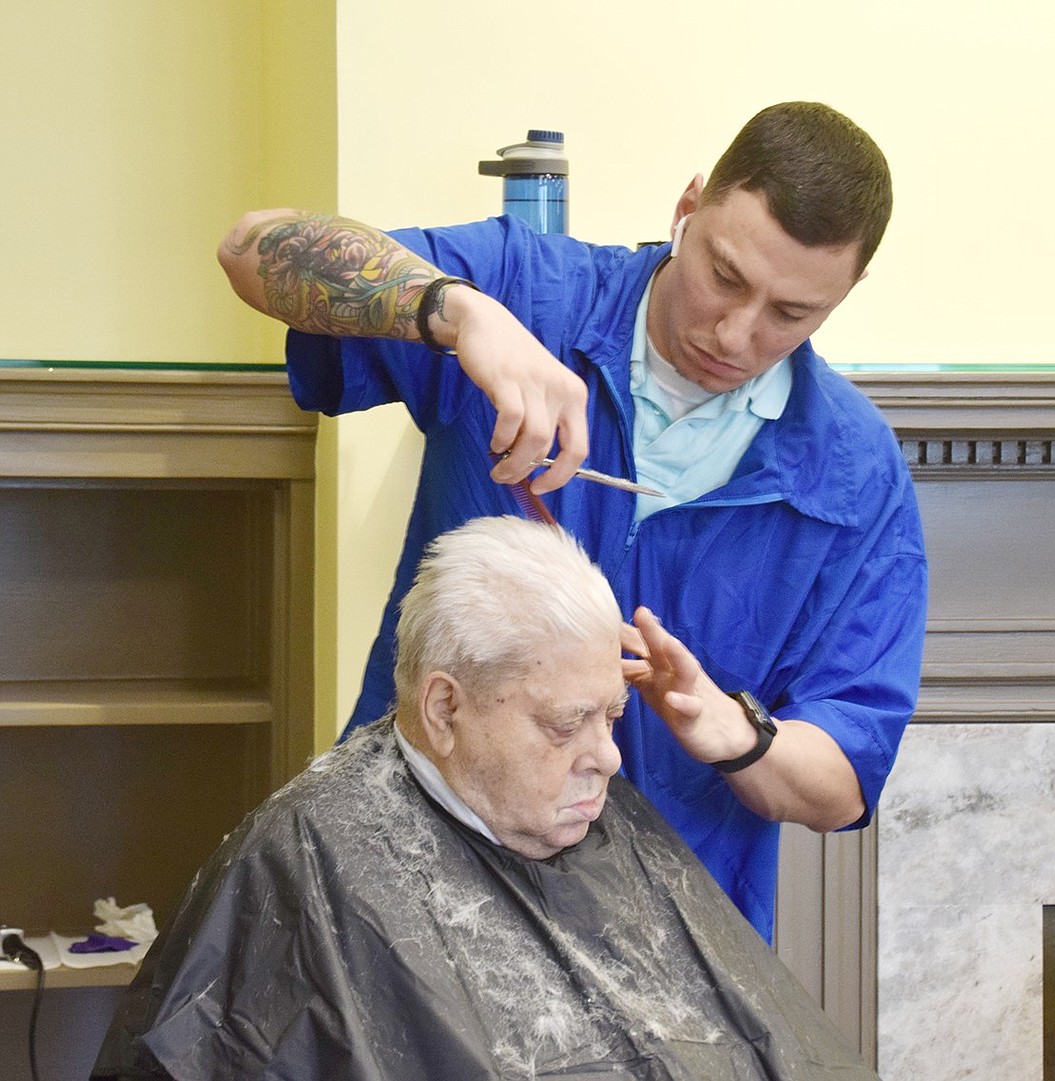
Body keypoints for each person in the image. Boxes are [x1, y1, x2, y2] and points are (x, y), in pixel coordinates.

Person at [217, 100, 928, 942]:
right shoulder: (526, 292)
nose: (736, 333)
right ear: (687, 208)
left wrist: (728, 728)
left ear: (845, 294)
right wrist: (458, 313)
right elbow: (251, 248)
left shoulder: (856, 476)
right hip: (410, 902)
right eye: (725, 276)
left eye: (792, 313)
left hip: (667, 940)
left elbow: (843, 779)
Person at [91, 516, 880, 1081]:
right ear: (444, 709)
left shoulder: (609, 822)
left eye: (612, 714)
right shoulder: (303, 865)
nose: (605, 758)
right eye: (566, 723)